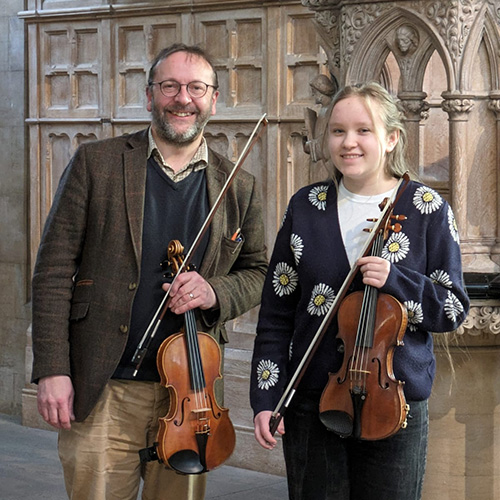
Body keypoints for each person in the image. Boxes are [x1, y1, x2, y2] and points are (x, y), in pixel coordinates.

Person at [31, 43, 268, 500]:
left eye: (196, 87)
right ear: (149, 96)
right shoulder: (96, 163)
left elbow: (258, 270)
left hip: (192, 393)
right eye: (170, 86)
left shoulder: (239, 184)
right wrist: (52, 369)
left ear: (213, 99)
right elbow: (54, 270)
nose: (183, 98)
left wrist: (214, 290)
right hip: (103, 389)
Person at [250, 82, 469, 500]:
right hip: (312, 400)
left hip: (394, 404)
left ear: (391, 138)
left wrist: (397, 280)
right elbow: (277, 315)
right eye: (337, 131)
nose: (348, 143)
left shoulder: (426, 208)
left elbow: (453, 308)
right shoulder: (306, 206)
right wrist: (266, 396)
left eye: (363, 130)